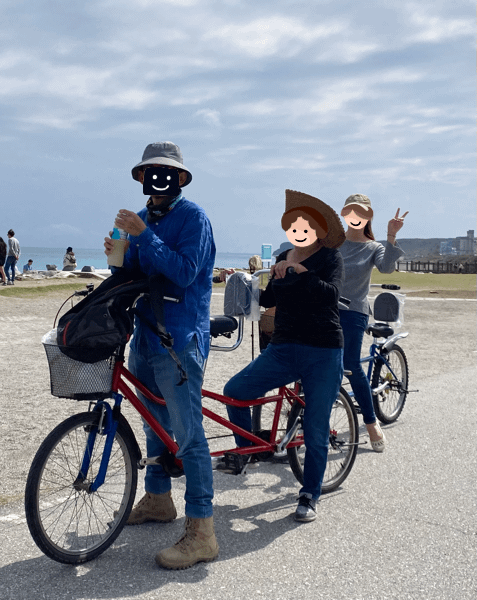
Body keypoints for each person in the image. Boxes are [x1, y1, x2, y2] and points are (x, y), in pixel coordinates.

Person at [103, 141, 217, 570]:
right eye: (150, 171)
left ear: (181, 178)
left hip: (180, 337)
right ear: (141, 178)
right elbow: (133, 272)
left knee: (189, 433)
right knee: (152, 421)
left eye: (165, 171)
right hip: (146, 336)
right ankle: (157, 498)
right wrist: (119, 253)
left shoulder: (194, 218)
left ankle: (202, 530)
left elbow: (187, 272)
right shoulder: (146, 218)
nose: (157, 178)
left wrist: (143, 236)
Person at [223, 189, 346, 523]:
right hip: (283, 347)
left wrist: (301, 274)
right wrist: (240, 283)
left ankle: (309, 493)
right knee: (235, 392)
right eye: (294, 223)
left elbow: (331, 296)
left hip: (323, 349)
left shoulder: (330, 258)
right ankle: (246, 454)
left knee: (317, 428)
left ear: (319, 229)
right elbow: (266, 298)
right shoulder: (281, 259)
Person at [339, 194, 407, 452]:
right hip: (327, 310)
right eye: (351, 211)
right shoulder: (332, 243)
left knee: (350, 364)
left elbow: (387, 268)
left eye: (362, 213)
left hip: (354, 311)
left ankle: (370, 421)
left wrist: (390, 235)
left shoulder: (373, 247)